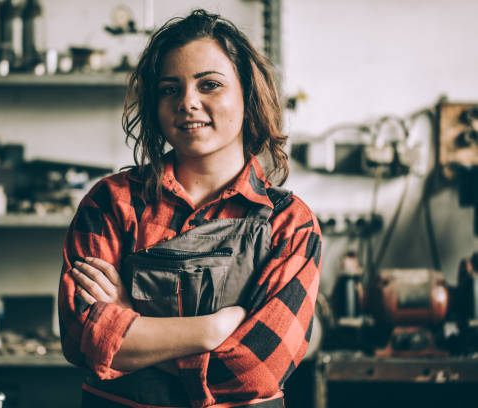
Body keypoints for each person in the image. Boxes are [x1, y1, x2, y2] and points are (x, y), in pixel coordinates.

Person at [58, 9, 321, 408]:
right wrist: (212, 329)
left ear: (247, 95)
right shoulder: (111, 203)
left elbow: (257, 369)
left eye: (209, 85)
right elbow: (82, 340)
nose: (187, 103)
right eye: (170, 89)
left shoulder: (290, 223)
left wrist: (134, 328)